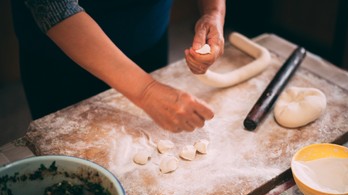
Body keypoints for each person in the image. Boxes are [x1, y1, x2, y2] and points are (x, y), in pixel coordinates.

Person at [11, 0, 226, 133]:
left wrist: (213, 12)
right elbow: (53, 6)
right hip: (62, 59)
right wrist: (146, 90)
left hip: (148, 34)